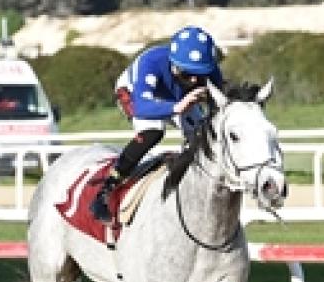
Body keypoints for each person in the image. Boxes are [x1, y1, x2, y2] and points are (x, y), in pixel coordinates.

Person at [89, 25, 224, 223]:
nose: (195, 80)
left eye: (201, 75)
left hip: (177, 97)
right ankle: (105, 191)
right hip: (137, 93)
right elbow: (143, 106)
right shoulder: (151, 61)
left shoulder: (211, 71)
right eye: (187, 75)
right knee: (153, 131)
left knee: (201, 135)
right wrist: (178, 107)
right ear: (173, 64)